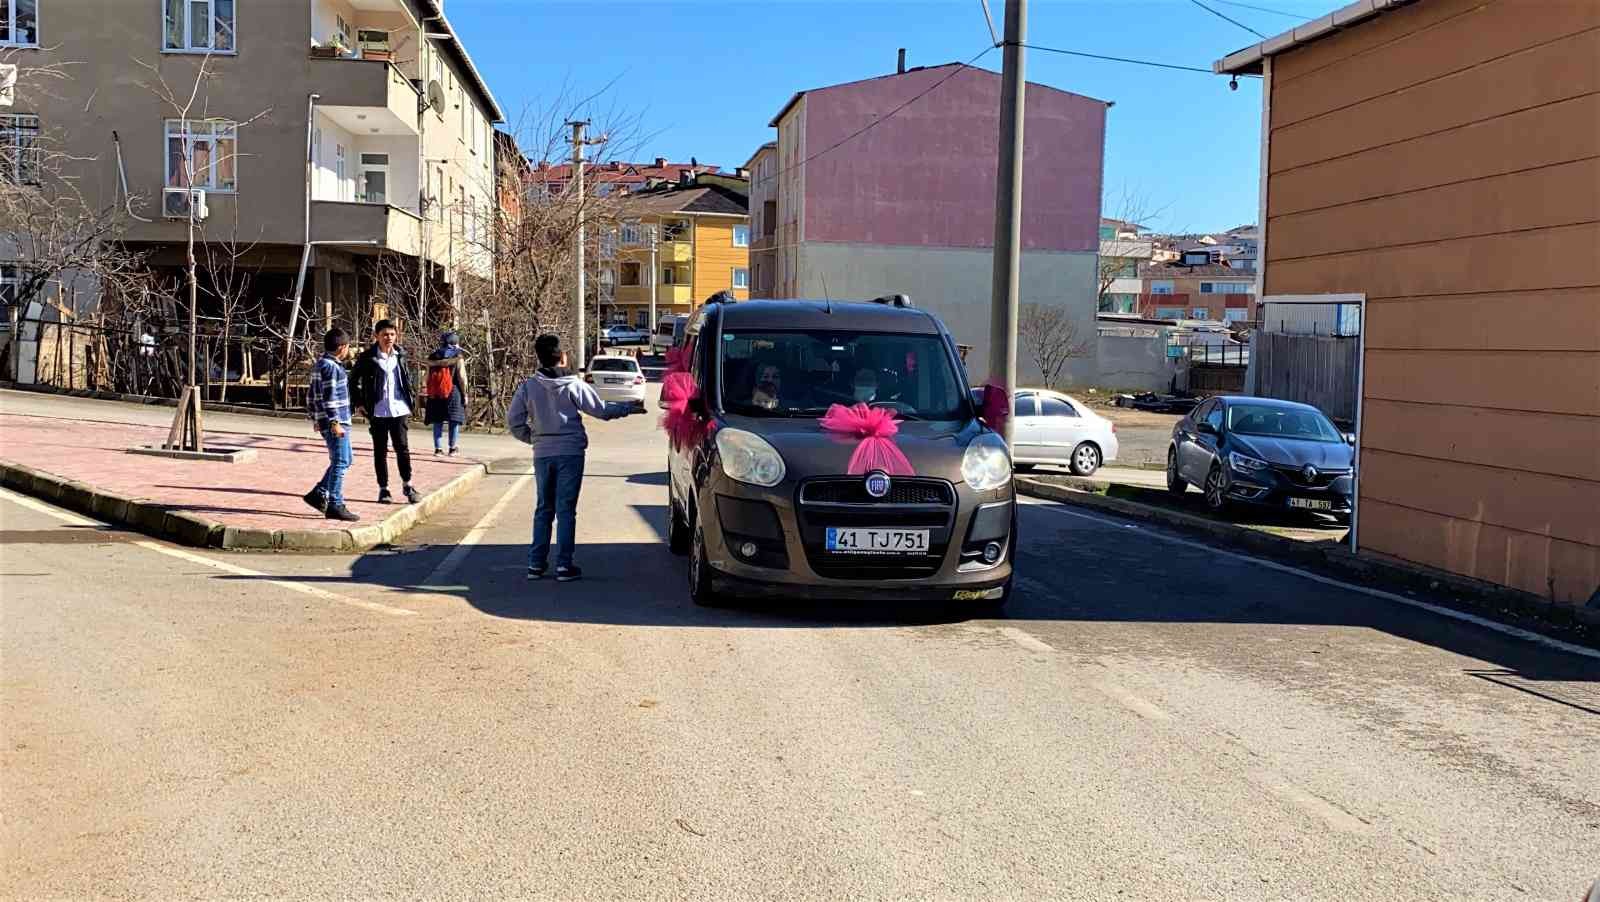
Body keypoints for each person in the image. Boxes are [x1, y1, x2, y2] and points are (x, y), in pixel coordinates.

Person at [506, 333, 639, 582]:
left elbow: (514, 422)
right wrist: (628, 408)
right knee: (566, 509)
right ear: (562, 357)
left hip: (543, 453)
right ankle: (564, 566)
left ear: (539, 357)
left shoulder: (528, 387)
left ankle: (536, 565)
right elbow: (601, 411)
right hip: (571, 452)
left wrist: (534, 439)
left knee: (544, 508)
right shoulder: (573, 385)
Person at [350, 319, 420, 505]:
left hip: (399, 410)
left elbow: (408, 379)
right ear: (377, 336)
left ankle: (408, 484)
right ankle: (384, 489)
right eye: (385, 335)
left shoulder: (401, 355)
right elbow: (352, 381)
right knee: (380, 451)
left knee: (402, 449)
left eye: (392, 334)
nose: (389, 338)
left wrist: (411, 398)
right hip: (378, 411)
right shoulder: (367, 358)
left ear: (396, 336)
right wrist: (359, 403)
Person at [303, 328, 360, 522]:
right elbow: (330, 398)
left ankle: (319, 492)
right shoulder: (331, 367)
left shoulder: (321, 364)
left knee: (346, 458)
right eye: (348, 347)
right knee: (341, 462)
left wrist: (316, 418)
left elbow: (311, 395)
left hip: (329, 420)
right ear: (342, 347)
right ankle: (335, 503)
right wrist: (334, 422)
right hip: (337, 421)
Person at [425, 331, 469, 455]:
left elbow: (427, 377)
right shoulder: (457, 356)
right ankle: (452, 448)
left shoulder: (432, 356)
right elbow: (461, 377)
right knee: (453, 420)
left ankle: (438, 449)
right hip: (453, 391)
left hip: (436, 392)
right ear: (455, 343)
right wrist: (465, 394)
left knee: (437, 420)